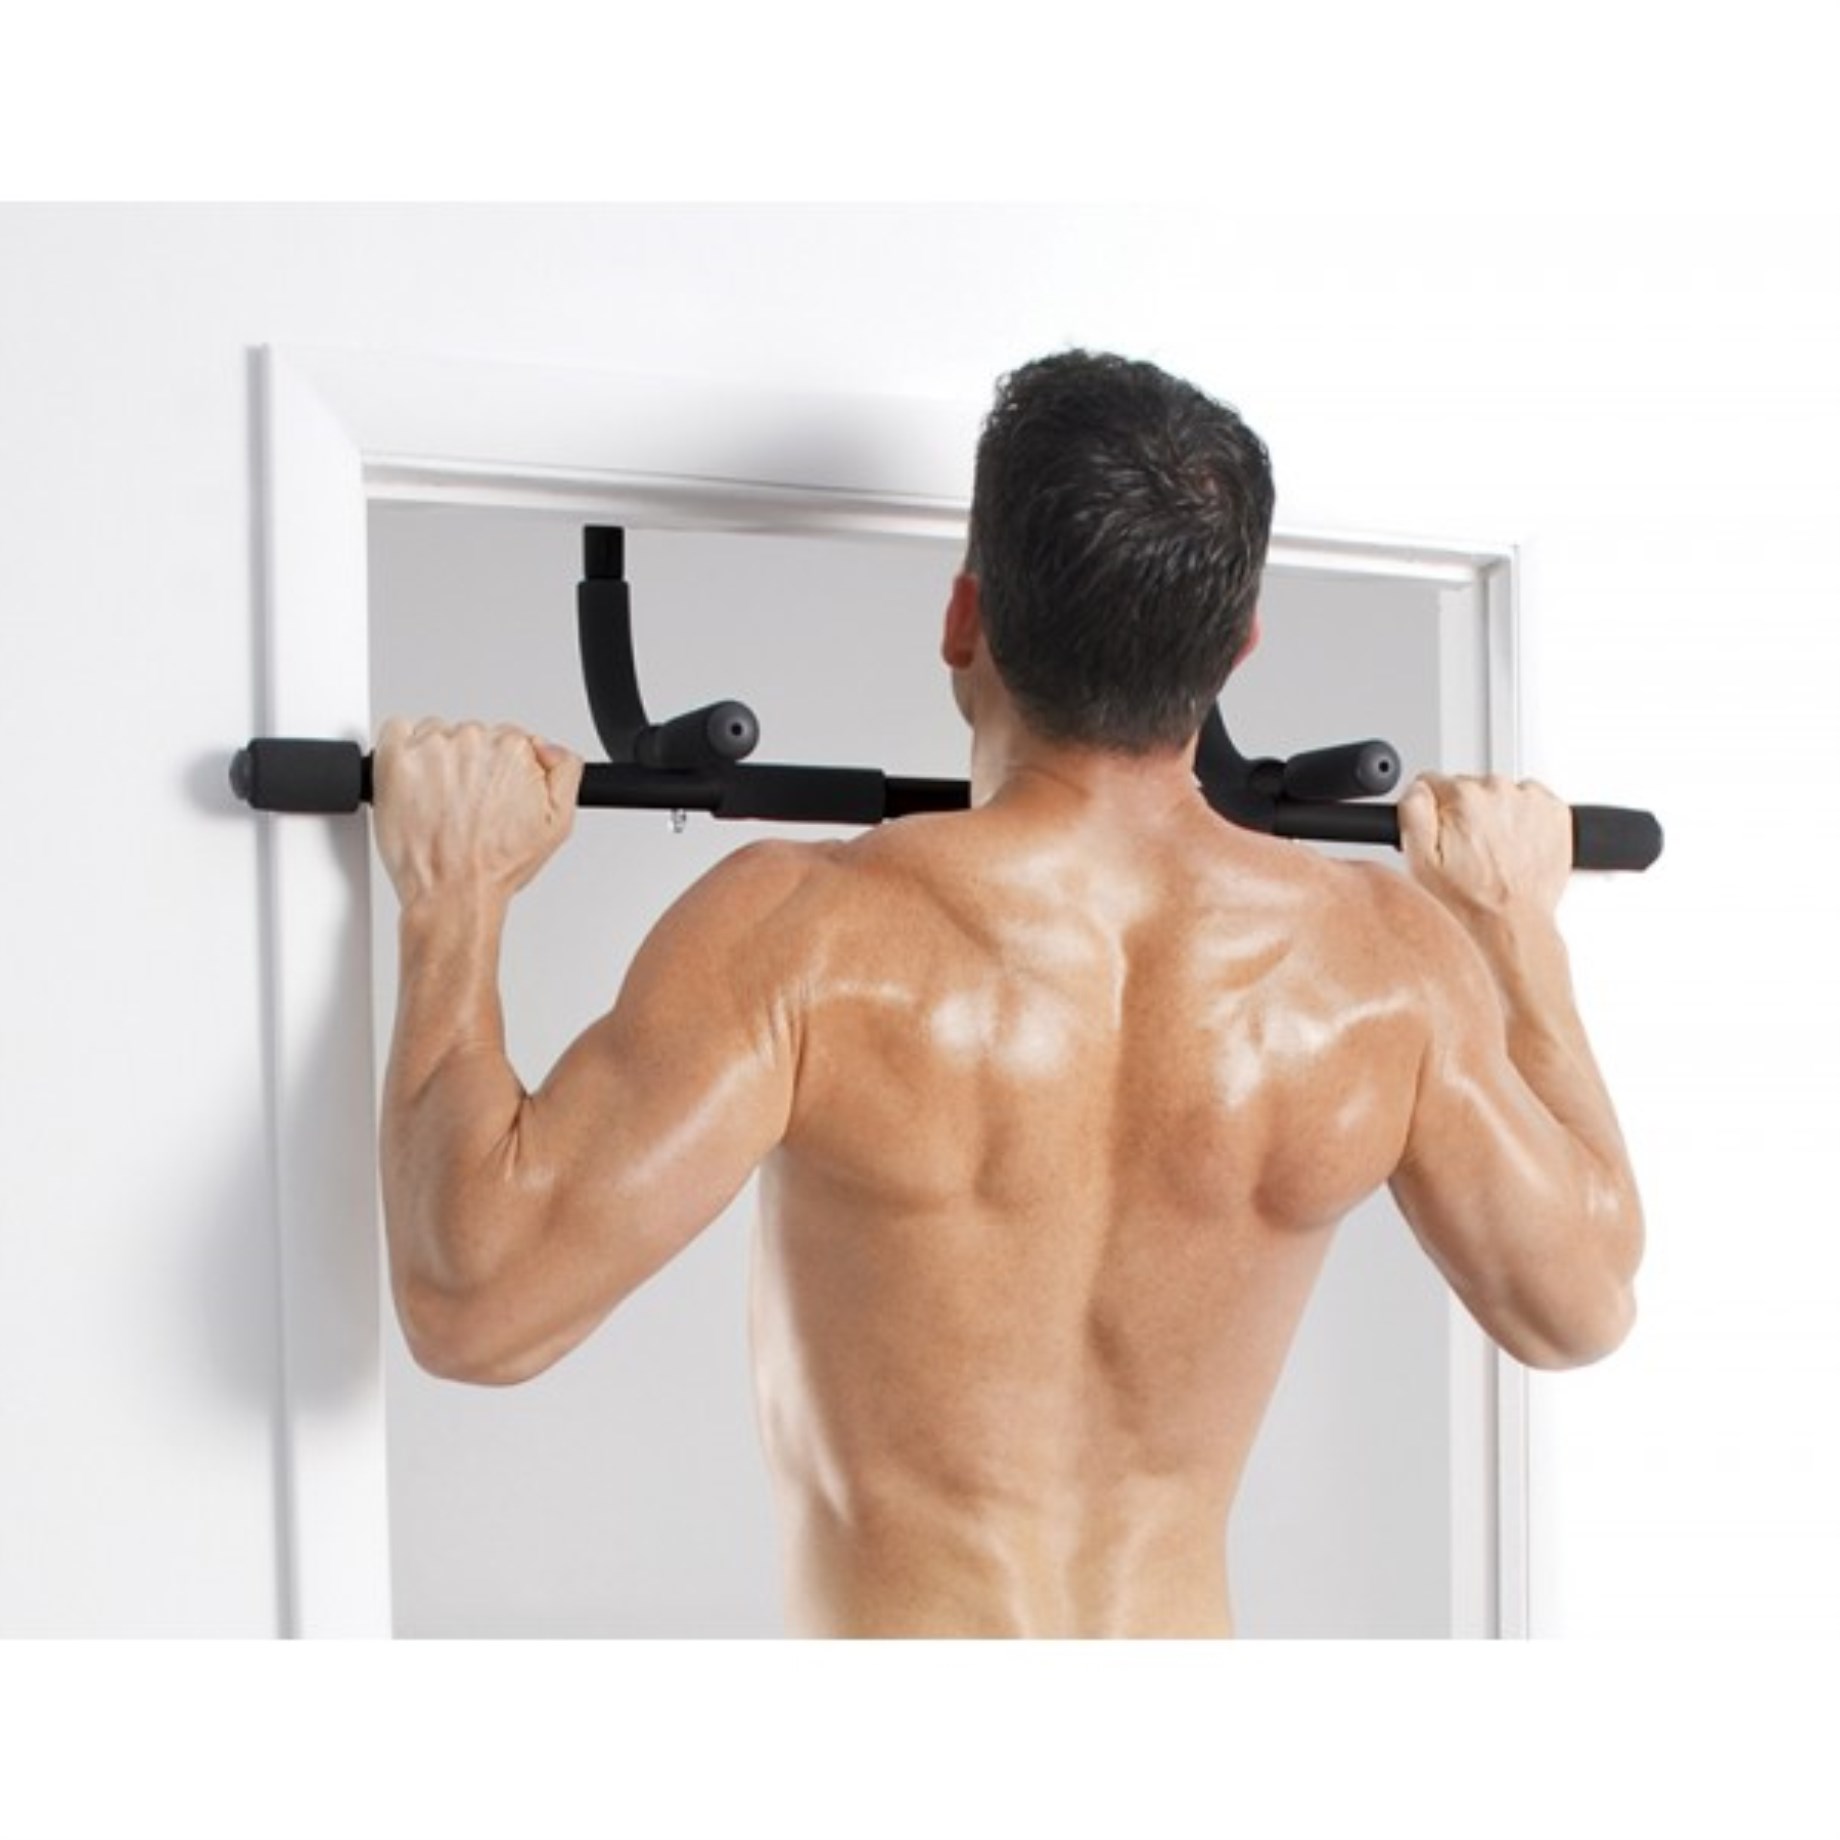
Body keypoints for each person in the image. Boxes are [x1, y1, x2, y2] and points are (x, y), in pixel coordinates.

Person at [371, 349, 1644, 1638]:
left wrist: (454, 894)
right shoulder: (1382, 969)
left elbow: (478, 1304)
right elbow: (1582, 1301)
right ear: (1236, 648)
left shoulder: (808, 941)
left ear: (963, 618)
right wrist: (1515, 927)